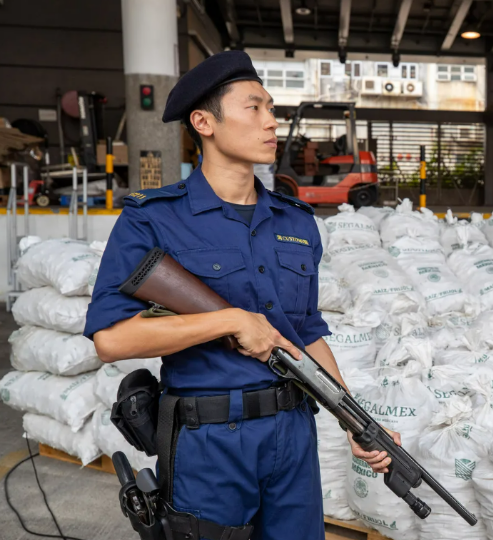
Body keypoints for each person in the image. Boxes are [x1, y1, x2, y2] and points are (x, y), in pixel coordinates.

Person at [83, 50, 399, 540]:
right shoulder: (153, 217)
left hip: (293, 432)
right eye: (255, 108)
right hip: (210, 440)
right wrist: (228, 321)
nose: (271, 121)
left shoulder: (297, 222)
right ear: (204, 122)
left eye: (272, 108)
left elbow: (306, 333)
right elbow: (111, 340)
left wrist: (353, 418)